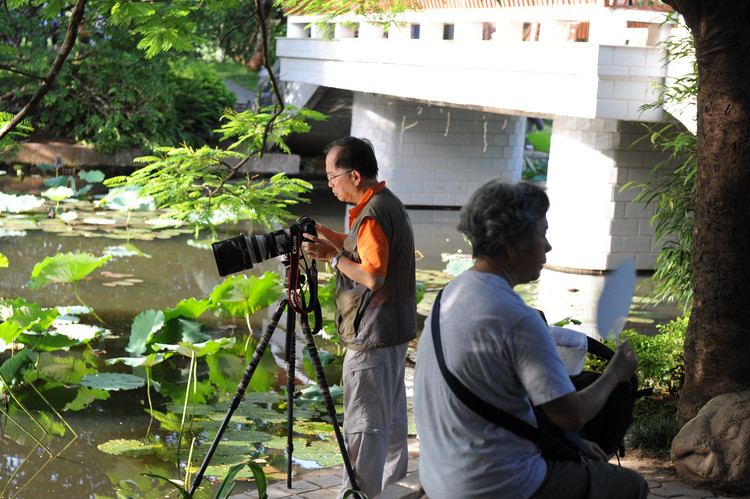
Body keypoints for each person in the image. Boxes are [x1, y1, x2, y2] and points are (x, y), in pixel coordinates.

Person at [413, 179, 649, 499]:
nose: (548, 247)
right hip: (494, 484)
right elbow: (573, 415)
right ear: (512, 245)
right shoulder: (517, 317)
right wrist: (615, 374)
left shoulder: (449, 295)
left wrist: (572, 442)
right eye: (542, 235)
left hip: (440, 476)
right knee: (631, 486)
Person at [302, 136, 417, 499]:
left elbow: (371, 276)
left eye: (331, 177)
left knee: (363, 425)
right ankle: (390, 489)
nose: (329, 184)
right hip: (394, 332)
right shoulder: (386, 204)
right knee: (392, 419)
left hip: (371, 335)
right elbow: (360, 246)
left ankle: (357, 495)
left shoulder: (371, 216)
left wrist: (332, 258)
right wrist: (327, 237)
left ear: (353, 175)